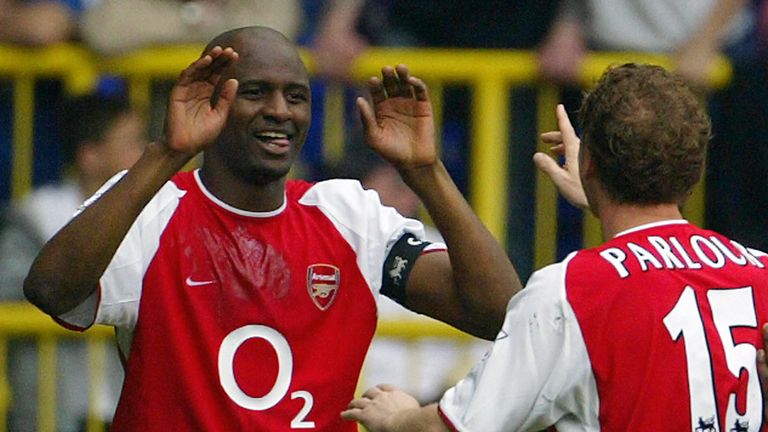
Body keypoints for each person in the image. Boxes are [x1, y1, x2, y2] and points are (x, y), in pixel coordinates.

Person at [22, 26, 519, 430]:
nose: (280, 111)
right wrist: (168, 152)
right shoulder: (156, 208)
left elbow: (498, 314)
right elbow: (50, 289)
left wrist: (425, 173)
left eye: (296, 97)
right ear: (210, 103)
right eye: (256, 93)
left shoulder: (347, 214)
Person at [342, 63, 768, 431]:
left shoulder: (571, 291)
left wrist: (398, 418)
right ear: (694, 172)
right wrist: (602, 196)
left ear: (588, 163)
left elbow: (459, 427)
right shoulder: (761, 272)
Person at [0, 92, 144, 431]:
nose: (144, 155)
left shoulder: (155, 215)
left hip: (129, 406)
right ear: (90, 155)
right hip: (54, 410)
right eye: (133, 142)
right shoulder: (34, 216)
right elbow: (12, 289)